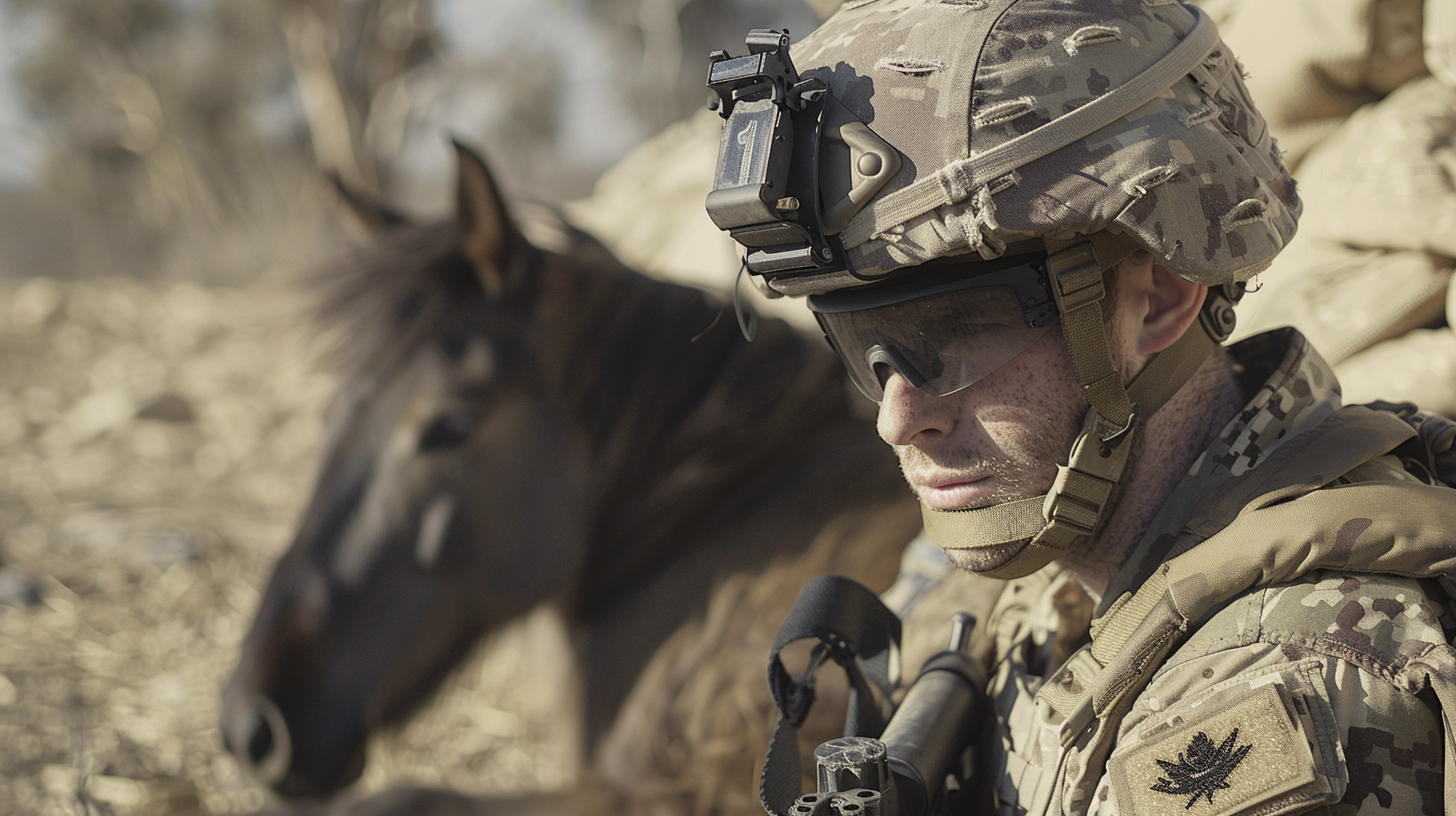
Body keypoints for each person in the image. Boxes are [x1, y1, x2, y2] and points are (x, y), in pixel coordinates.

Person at [706, 0, 1456, 813]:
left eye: (956, 330)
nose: (899, 418)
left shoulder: (1288, 686)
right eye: (865, 347)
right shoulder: (1057, 584)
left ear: (1157, 298)